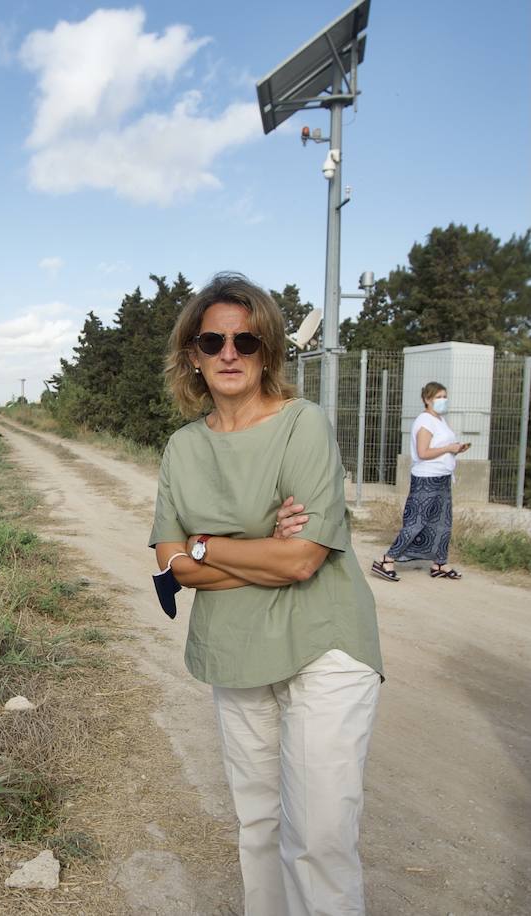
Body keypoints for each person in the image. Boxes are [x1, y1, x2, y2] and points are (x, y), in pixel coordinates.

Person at [149, 272, 384, 915]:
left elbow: (303, 560)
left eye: (246, 341)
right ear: (193, 355)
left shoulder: (303, 425)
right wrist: (255, 548)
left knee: (319, 838)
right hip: (236, 649)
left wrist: (205, 545)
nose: (230, 353)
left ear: (267, 351)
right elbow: (172, 568)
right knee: (258, 825)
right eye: (214, 341)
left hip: (324, 645)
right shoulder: (182, 448)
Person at [371, 381, 470, 582]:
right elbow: (423, 452)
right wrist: (449, 448)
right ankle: (386, 560)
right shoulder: (424, 421)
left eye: (445, 396)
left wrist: (456, 449)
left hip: (442, 477)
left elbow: (440, 446)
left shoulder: (440, 420)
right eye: (439, 397)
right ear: (427, 399)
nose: (443, 400)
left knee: (442, 523)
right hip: (426, 479)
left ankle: (440, 563)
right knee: (416, 522)